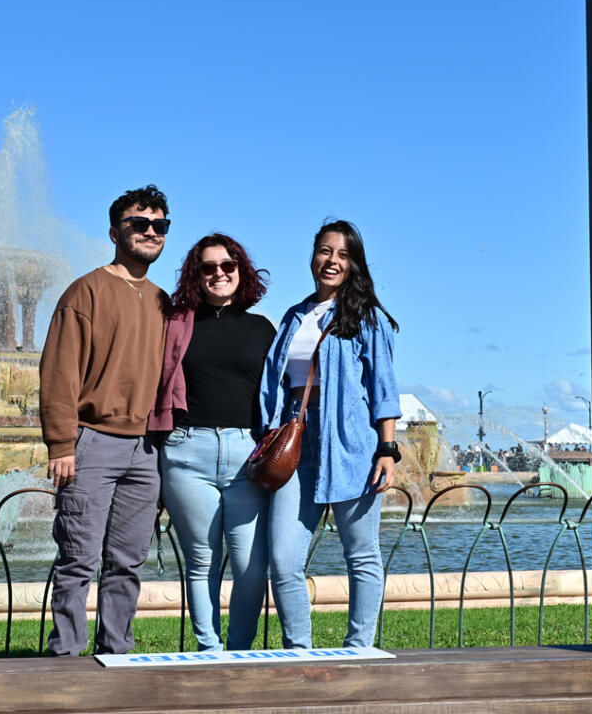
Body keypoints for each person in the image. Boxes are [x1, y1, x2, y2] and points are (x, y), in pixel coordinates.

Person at [37, 186, 171, 656]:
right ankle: (66, 656)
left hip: (147, 449)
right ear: (116, 232)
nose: (150, 232)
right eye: (140, 224)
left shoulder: (163, 301)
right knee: (78, 559)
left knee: (127, 562)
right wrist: (61, 444)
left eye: (160, 225)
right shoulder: (86, 291)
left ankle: (116, 654)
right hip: (91, 442)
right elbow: (59, 369)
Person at [259, 220, 401, 648]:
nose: (331, 261)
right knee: (283, 560)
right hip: (296, 439)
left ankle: (359, 648)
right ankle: (298, 652)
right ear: (312, 256)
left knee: (361, 554)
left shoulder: (366, 317)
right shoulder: (295, 316)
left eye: (342, 254)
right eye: (325, 251)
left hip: (350, 441)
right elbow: (274, 380)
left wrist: (387, 449)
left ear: (353, 263)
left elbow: (383, 387)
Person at [150, 234, 278, 651]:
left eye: (227, 265)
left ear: (241, 270)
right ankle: (208, 648)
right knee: (201, 561)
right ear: (196, 274)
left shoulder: (262, 328)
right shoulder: (177, 324)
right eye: (208, 267)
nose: (218, 274)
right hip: (188, 452)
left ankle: (239, 649)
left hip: (247, 455)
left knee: (250, 565)